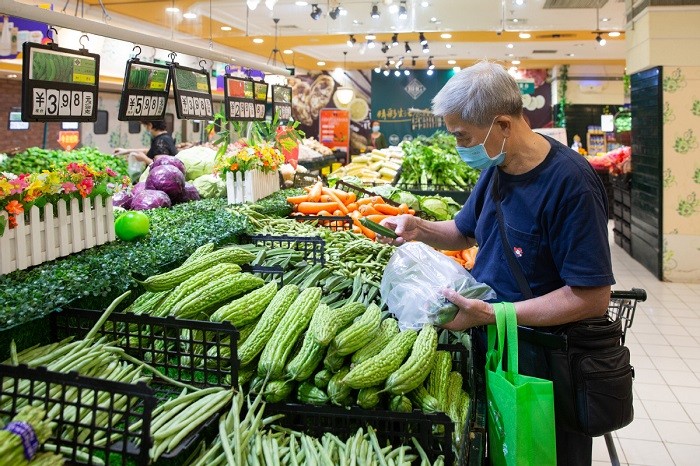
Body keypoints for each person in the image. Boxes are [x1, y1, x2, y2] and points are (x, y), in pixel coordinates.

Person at [379, 61, 614, 466]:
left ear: (502, 124)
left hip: (546, 366)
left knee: (543, 454)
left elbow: (591, 297)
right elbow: (463, 231)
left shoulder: (571, 183)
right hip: (499, 347)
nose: (459, 147)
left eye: (462, 136)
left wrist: (493, 314)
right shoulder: (497, 168)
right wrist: (417, 227)